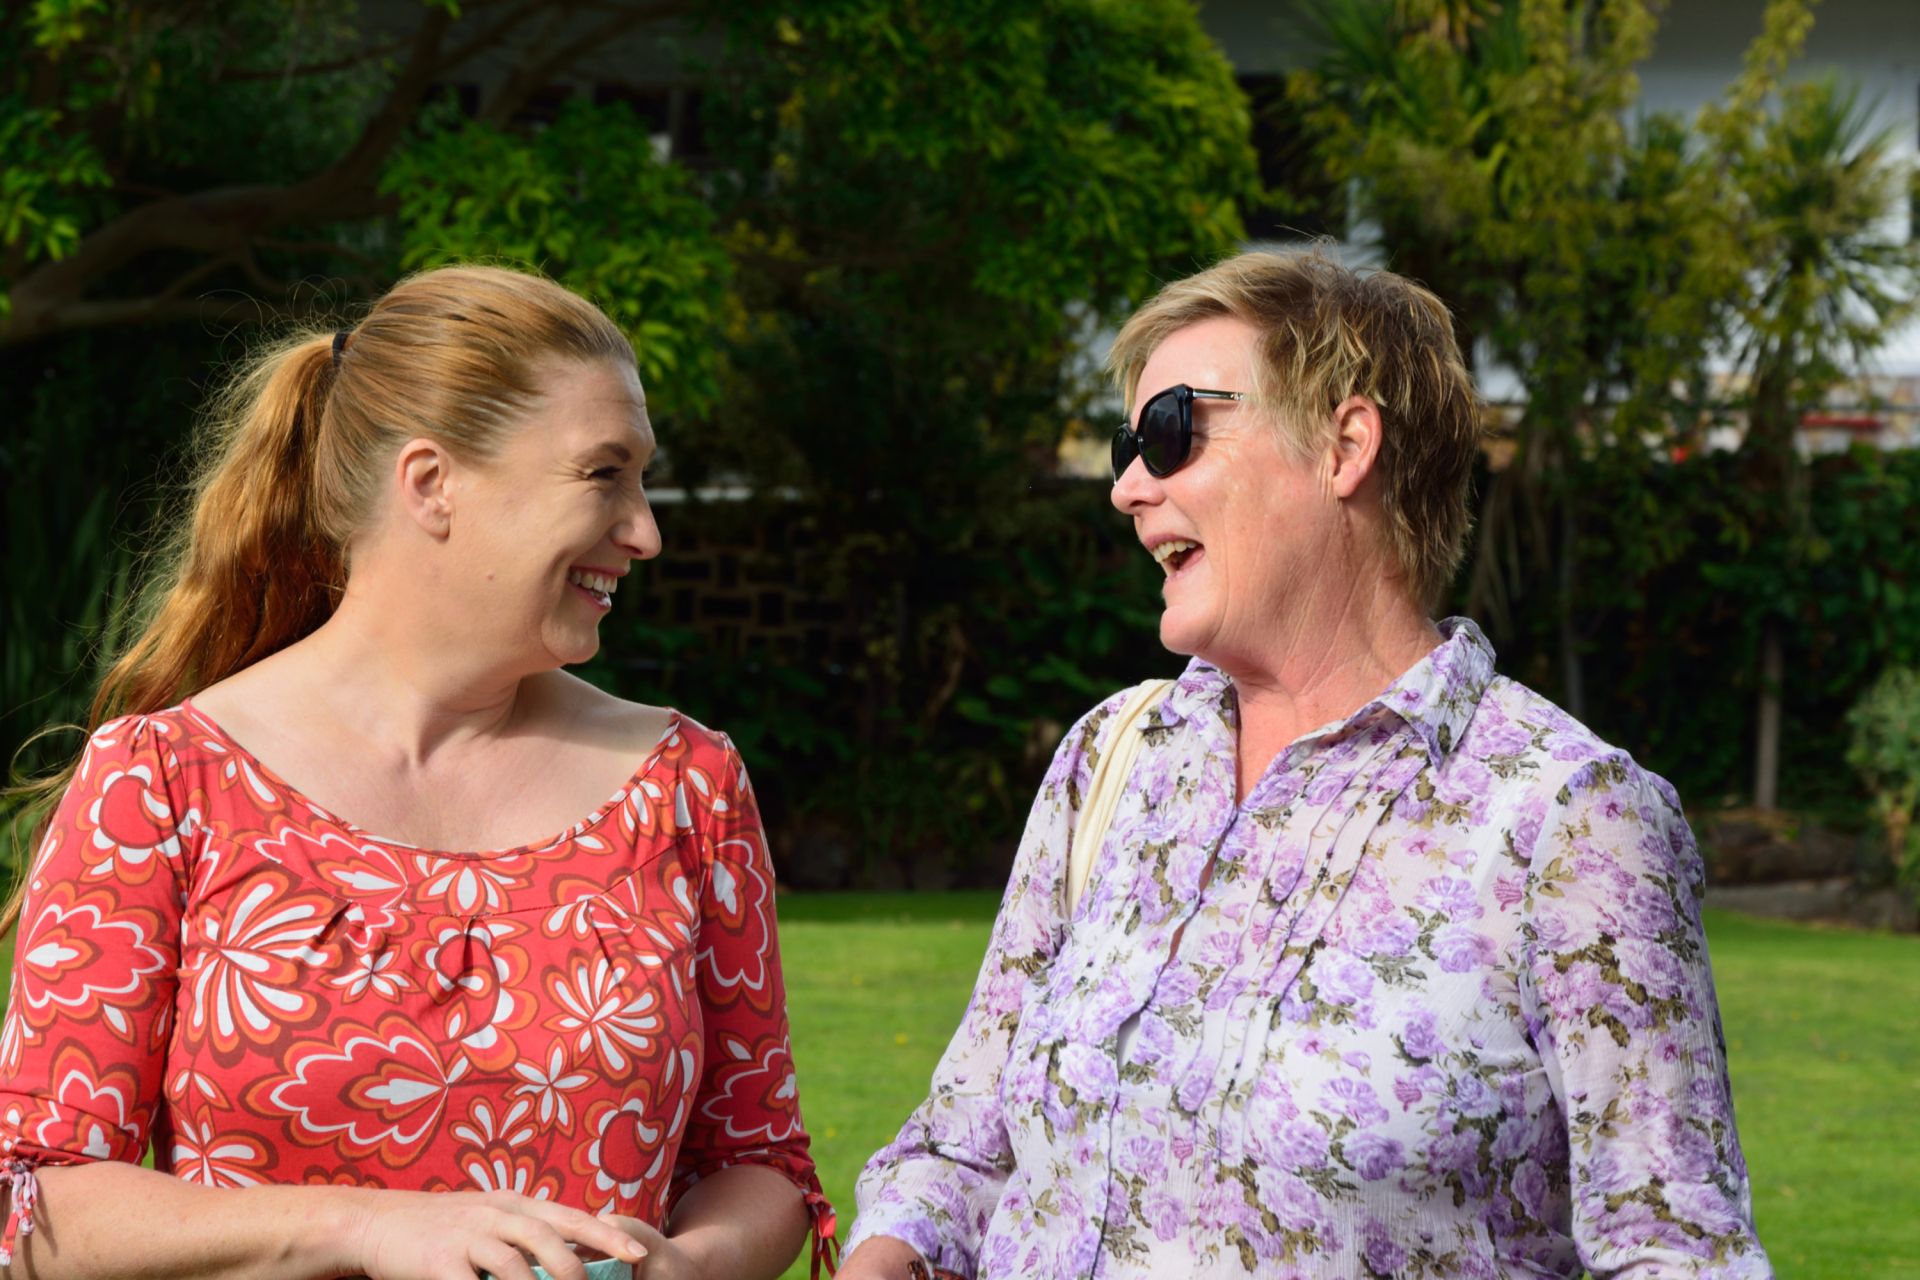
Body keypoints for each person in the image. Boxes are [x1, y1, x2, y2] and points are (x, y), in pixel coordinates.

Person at [839, 250, 1771, 1279]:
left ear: (1344, 444)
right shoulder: (1112, 756)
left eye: (1171, 432)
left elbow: (1676, 1249)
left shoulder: (1570, 818)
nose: (1128, 486)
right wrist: (894, 1245)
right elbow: (964, 1145)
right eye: (1127, 446)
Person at [0, 266, 834, 1280]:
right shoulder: (163, 783)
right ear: (432, 483)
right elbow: (38, 1198)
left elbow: (759, 1157)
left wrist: (690, 1264)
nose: (645, 530)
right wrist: (362, 1227)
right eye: (603, 474)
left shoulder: (684, 785)